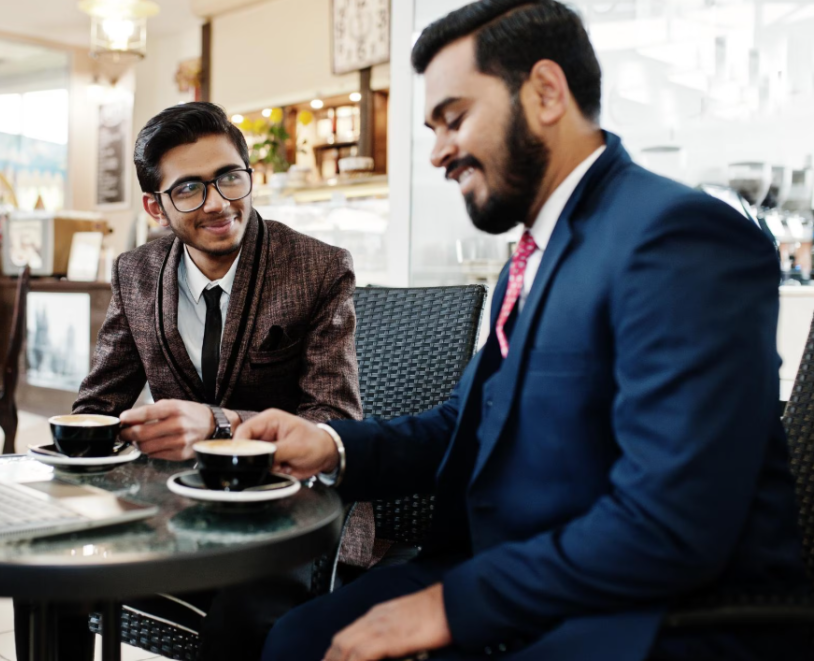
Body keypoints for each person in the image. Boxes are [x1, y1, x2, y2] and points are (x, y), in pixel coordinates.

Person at [237, 2, 809, 660]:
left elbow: (674, 517)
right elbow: (464, 424)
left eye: (454, 118)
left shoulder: (679, 237)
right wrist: (331, 444)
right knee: (297, 638)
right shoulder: (535, 254)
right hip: (515, 568)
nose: (437, 153)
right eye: (432, 129)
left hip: (652, 609)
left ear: (545, 92)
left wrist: (454, 606)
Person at [48, 101, 364, 661]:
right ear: (155, 206)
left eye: (229, 178)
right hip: (172, 505)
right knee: (51, 573)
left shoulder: (318, 268)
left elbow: (335, 423)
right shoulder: (135, 272)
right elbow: (97, 404)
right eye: (189, 189)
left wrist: (220, 425)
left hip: (289, 513)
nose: (218, 202)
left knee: (243, 618)